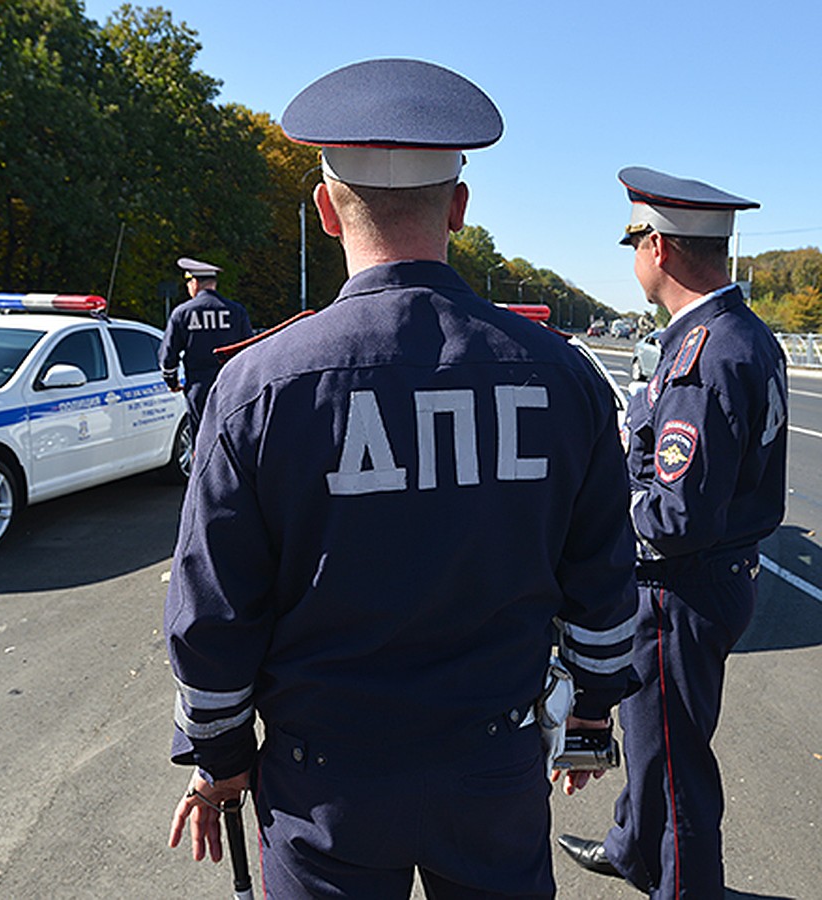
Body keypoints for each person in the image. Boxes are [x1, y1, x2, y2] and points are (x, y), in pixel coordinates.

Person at [163, 58, 639, 899]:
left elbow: (214, 612)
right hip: (494, 765)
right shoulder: (562, 376)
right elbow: (602, 582)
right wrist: (594, 715)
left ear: (324, 211)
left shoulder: (258, 386)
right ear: (458, 207)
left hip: (324, 787)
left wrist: (220, 759)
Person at [557, 168, 788, 898]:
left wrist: (598, 509)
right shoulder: (734, 334)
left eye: (635, 242)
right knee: (654, 741)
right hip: (704, 580)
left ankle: (687, 886)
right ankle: (633, 848)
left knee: (675, 759)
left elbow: (677, 515)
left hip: (678, 588)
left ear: (657, 246)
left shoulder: (705, 350)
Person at [158, 257, 254, 446]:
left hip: (199, 388)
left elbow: (168, 356)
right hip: (231, 386)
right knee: (232, 439)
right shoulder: (236, 311)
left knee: (202, 442)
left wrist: (172, 381)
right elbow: (248, 350)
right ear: (213, 283)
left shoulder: (183, 312)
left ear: (194, 283)